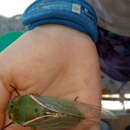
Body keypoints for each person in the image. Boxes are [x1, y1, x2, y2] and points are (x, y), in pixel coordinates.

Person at [0, 0, 129, 130]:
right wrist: (63, 18)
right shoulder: (29, 98)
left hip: (106, 27)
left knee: (114, 63)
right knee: (115, 63)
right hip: (105, 24)